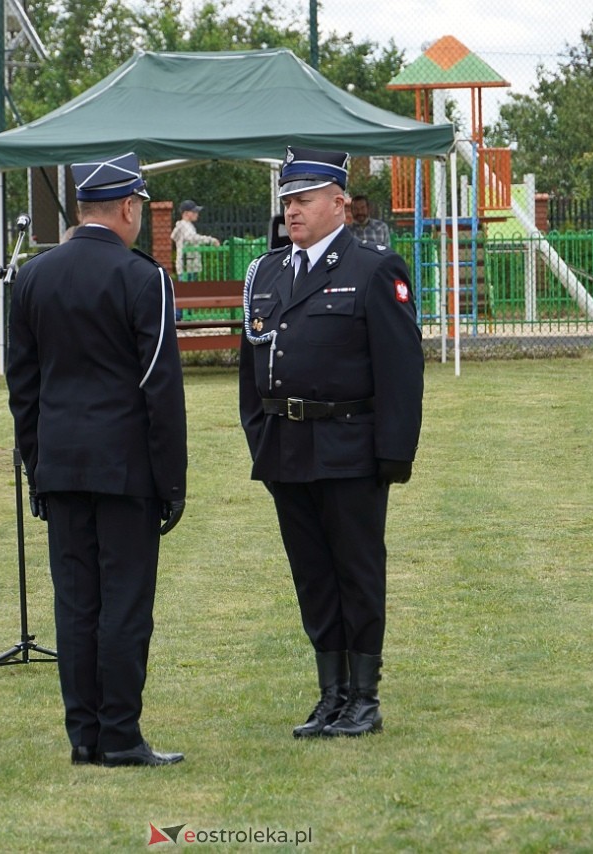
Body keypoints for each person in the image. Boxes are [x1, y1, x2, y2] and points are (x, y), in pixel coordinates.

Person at [6, 152, 188, 768]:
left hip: (60, 464)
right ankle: (120, 735)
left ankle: (84, 735)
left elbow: (22, 386)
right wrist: (172, 480)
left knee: (77, 604)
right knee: (125, 604)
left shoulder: (32, 277)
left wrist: (38, 467)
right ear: (131, 208)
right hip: (125, 469)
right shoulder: (144, 279)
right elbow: (159, 389)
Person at [239, 147, 423, 739]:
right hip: (286, 448)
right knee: (312, 576)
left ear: (339, 202)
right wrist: (259, 437)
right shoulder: (267, 272)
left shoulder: (373, 270)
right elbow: (251, 369)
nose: (292, 210)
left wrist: (393, 454)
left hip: (349, 447)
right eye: (287, 200)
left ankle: (364, 698)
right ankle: (331, 695)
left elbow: (401, 371)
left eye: (304, 199)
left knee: (356, 571)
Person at [170, 199, 220, 281]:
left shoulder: (184, 226)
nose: (197, 214)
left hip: (188, 265)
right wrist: (211, 240)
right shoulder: (185, 226)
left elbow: (175, 237)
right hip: (188, 265)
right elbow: (192, 238)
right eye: (194, 212)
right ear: (186, 213)